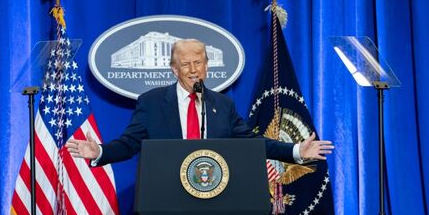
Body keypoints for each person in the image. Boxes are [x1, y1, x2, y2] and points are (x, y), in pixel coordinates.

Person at [66, 39, 334, 165]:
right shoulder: (152, 102)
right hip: (167, 200)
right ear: (174, 69)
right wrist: (100, 151)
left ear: (206, 66)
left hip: (215, 197)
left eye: (199, 62)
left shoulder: (223, 105)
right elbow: (129, 144)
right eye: (186, 64)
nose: (193, 70)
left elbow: (252, 142)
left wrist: (295, 151)